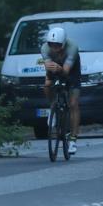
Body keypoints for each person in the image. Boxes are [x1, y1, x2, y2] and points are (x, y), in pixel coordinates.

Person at [41, 26, 81, 154]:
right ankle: (53, 106)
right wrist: (51, 69)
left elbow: (66, 71)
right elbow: (48, 68)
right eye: (51, 45)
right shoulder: (44, 48)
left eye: (58, 45)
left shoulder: (72, 47)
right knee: (47, 85)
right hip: (54, 67)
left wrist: (59, 69)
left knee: (73, 103)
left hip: (71, 70)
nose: (54, 48)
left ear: (63, 43)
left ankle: (73, 139)